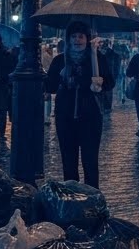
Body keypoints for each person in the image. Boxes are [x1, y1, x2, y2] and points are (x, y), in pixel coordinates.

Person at [44, 22, 112, 188]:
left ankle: (92, 199)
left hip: (90, 117)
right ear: (68, 39)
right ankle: (72, 199)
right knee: (68, 162)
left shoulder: (97, 58)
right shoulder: (60, 60)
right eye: (73, 36)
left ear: (87, 39)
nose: (77, 40)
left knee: (90, 161)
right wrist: (60, 79)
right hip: (65, 117)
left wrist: (100, 83)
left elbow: (110, 82)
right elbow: (50, 86)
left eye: (80, 36)